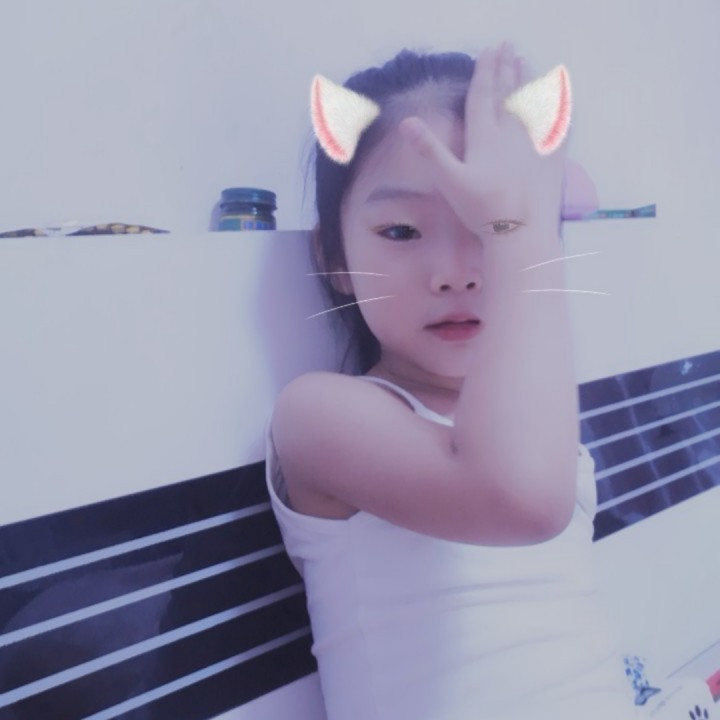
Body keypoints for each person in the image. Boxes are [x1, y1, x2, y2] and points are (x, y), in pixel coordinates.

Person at [264, 41, 639, 720]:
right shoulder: (320, 415)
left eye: (481, 226)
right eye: (402, 231)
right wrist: (518, 230)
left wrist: (531, 198)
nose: (453, 273)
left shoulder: (530, 407)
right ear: (335, 259)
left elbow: (580, 189)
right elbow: (519, 500)